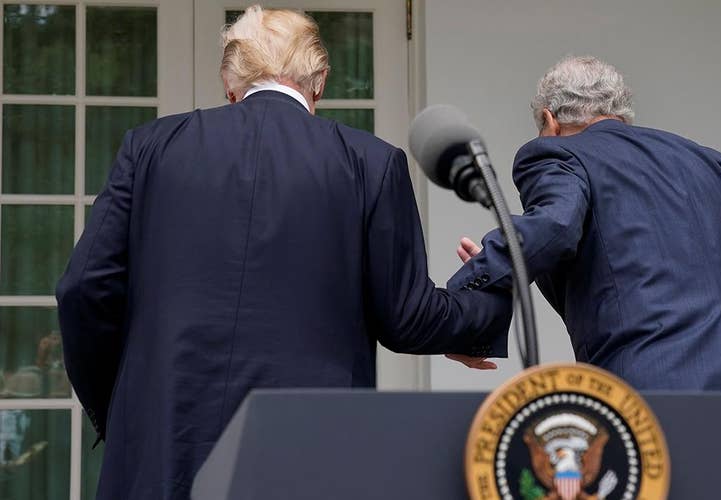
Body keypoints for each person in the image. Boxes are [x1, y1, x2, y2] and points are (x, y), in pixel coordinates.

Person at [55, 6, 509, 499]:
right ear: (320, 82)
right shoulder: (370, 163)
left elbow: (83, 288)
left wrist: (122, 407)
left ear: (229, 82)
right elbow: (407, 316)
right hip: (310, 458)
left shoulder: (149, 148)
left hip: (163, 450)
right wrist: (485, 301)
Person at [449, 56, 721, 394]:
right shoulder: (709, 164)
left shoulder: (559, 154)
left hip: (649, 397)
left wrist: (467, 303)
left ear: (549, 120)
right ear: (621, 115)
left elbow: (553, 229)